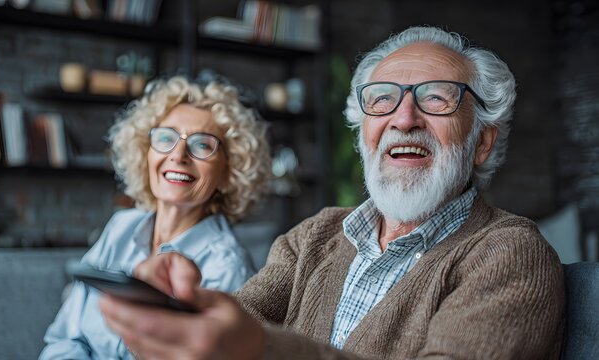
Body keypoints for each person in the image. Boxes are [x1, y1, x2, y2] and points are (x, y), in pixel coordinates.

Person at [99, 26, 566, 359]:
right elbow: (232, 325)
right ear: (364, 130)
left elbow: (249, 344)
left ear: (481, 142)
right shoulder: (315, 236)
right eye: (383, 99)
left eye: (436, 97)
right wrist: (180, 310)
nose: (404, 118)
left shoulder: (510, 253)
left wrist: (257, 348)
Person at [39, 76, 271, 359]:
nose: (178, 155)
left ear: (228, 172)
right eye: (165, 138)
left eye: (201, 145)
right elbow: (65, 337)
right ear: (145, 153)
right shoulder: (121, 227)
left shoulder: (228, 267)